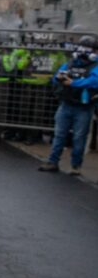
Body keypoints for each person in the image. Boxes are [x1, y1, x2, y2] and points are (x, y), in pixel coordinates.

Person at [38, 36, 98, 176]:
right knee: (59, 135)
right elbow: (56, 77)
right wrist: (60, 78)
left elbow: (95, 81)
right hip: (66, 104)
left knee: (79, 137)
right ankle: (53, 162)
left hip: (83, 107)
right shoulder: (71, 63)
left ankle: (76, 166)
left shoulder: (95, 66)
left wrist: (73, 83)